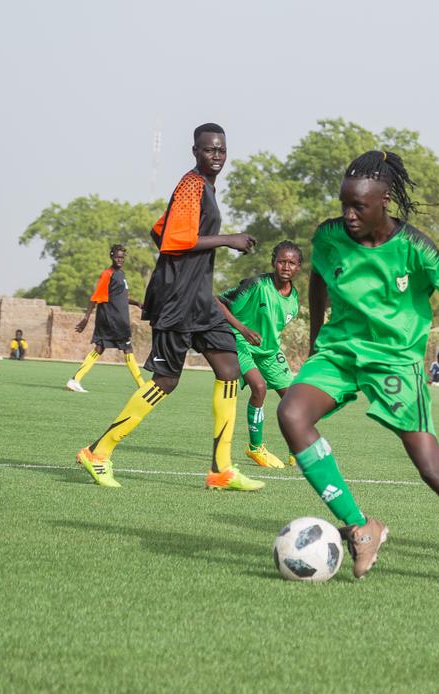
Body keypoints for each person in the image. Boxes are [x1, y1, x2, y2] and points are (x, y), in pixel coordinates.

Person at [276, 150, 439, 593]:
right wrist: (317, 334)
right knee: (292, 415)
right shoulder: (330, 236)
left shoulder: (417, 249)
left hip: (395, 362)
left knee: (432, 467)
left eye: (360, 206)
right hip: (339, 352)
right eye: (344, 204)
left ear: (384, 200)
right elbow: (317, 279)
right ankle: (360, 527)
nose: (349, 215)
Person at [75, 123, 261, 491]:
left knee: (229, 370)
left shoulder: (205, 187)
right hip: (177, 299)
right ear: (195, 151)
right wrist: (228, 239)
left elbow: (158, 229)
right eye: (210, 150)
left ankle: (221, 469)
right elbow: (171, 240)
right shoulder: (191, 184)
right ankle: (97, 452)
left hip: (199, 298)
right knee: (166, 381)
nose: (217, 156)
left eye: (222, 150)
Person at [216, 240, 302, 469]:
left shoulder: (294, 299)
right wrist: (242, 329)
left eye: (292, 263)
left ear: (298, 268)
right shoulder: (256, 285)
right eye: (282, 261)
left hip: (269, 351)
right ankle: (255, 449)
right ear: (273, 262)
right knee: (260, 388)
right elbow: (218, 300)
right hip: (240, 342)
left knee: (294, 399)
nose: (286, 266)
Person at [67, 244, 144, 392]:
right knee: (127, 348)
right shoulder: (107, 274)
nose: (119, 260)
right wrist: (86, 318)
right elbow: (95, 297)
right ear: (111, 256)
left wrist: (136, 303)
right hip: (113, 319)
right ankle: (141, 386)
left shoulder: (121, 274)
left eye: (122, 257)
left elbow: (121, 296)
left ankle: (75, 380)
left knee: (100, 348)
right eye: (117, 257)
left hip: (117, 318)